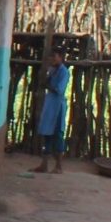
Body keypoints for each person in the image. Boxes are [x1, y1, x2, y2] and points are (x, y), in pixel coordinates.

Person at [35, 39, 72, 173]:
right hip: (50, 104)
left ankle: (59, 166)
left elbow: (59, 89)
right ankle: (44, 164)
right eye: (51, 56)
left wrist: (47, 84)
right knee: (47, 134)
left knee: (57, 135)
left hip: (57, 107)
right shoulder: (52, 70)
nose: (52, 59)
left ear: (61, 58)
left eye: (54, 56)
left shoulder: (64, 72)